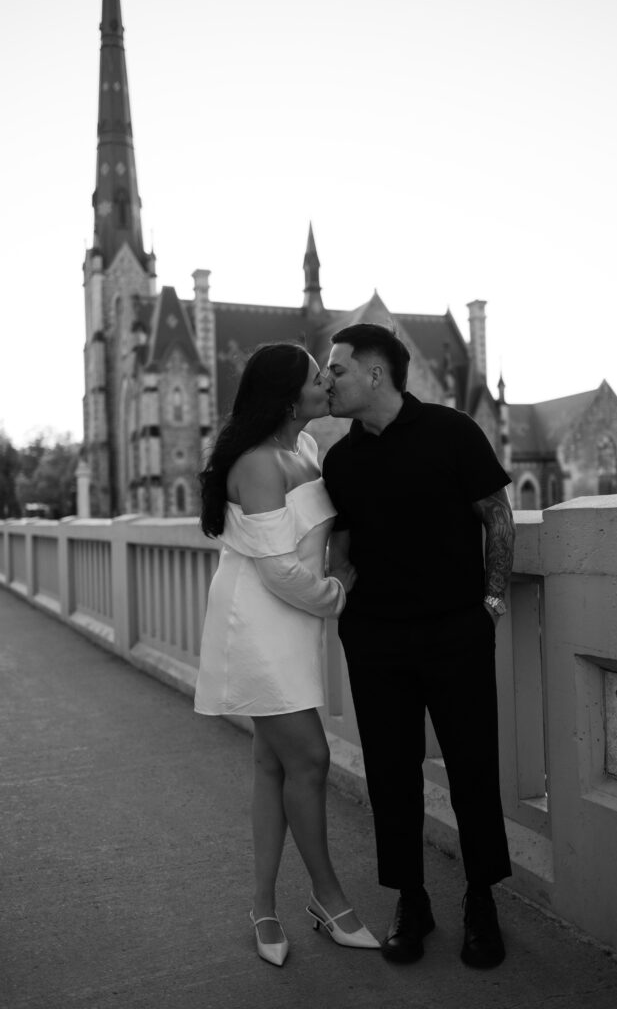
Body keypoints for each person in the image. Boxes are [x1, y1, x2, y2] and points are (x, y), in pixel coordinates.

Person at [322, 324, 515, 969]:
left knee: (471, 769)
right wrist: (340, 599)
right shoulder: (339, 460)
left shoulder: (454, 432)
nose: (328, 380)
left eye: (338, 370)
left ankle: (482, 901)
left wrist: (490, 602)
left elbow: (497, 514)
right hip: (375, 641)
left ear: (375, 374)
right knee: (390, 776)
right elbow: (341, 546)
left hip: (456, 633)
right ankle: (413, 899)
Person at [194, 342, 380, 967]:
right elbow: (277, 571)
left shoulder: (304, 449)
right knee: (311, 758)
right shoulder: (255, 462)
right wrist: (339, 592)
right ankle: (328, 898)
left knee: (273, 766)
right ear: (285, 396)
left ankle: (263, 906)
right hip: (259, 621)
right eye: (313, 378)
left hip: (296, 624)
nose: (325, 382)